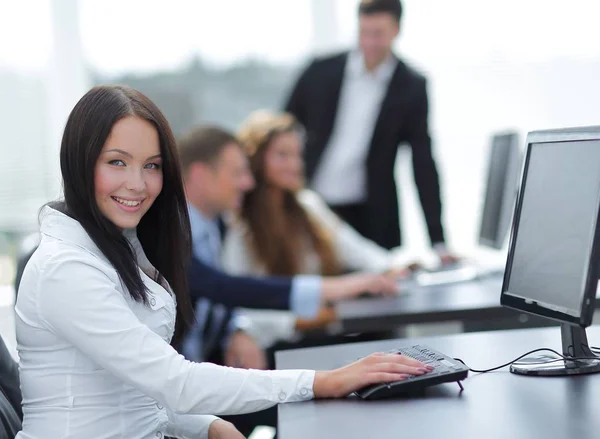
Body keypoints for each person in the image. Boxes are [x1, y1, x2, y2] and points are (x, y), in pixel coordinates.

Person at [14, 85, 431, 439]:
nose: (138, 184)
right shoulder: (66, 270)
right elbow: (174, 382)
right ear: (79, 161)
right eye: (116, 162)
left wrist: (207, 425)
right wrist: (323, 380)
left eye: (152, 166)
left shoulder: (118, 248)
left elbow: (129, 395)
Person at [285, 0, 457, 263]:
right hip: (314, 205)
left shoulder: (411, 86)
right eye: (364, 32)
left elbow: (422, 163)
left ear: (396, 30)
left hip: (373, 216)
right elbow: (281, 129)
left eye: (378, 34)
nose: (369, 42)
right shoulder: (320, 71)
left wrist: (439, 241)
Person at [221, 110, 408, 346]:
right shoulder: (240, 224)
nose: (294, 164)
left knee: (388, 338)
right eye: (282, 155)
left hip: (320, 329)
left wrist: (396, 267)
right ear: (256, 159)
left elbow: (356, 249)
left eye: (297, 155)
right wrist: (303, 320)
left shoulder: (308, 205)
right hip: (280, 341)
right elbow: (237, 305)